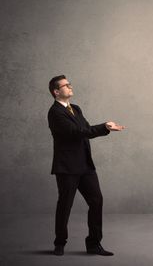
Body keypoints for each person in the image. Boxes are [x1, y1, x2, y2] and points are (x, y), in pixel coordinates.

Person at [47, 75, 125, 256]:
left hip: (85, 165)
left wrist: (103, 128)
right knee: (65, 205)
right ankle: (60, 243)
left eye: (69, 84)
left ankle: (93, 244)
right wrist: (104, 126)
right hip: (67, 167)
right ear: (56, 92)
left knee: (97, 201)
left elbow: (86, 128)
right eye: (65, 85)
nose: (70, 86)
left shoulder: (76, 108)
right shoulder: (55, 113)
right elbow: (77, 132)